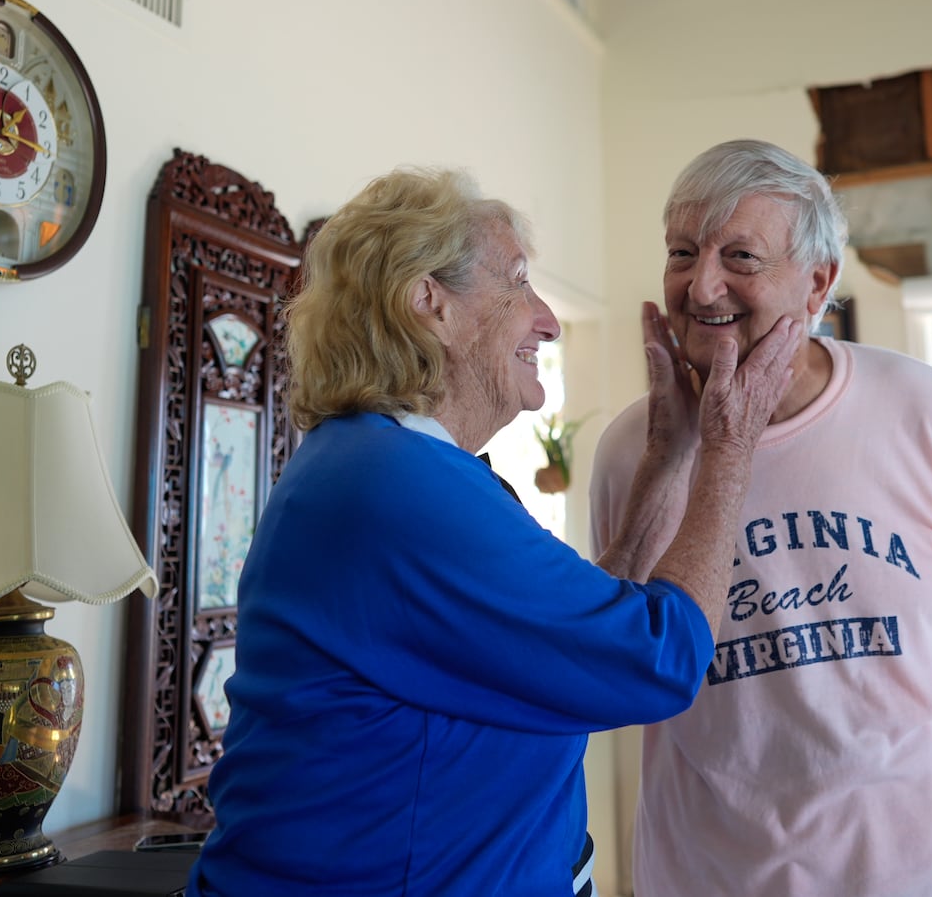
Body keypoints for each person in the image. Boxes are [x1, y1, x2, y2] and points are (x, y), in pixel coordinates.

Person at [189, 165, 801, 896]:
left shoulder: (385, 463)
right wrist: (728, 446)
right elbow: (658, 656)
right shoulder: (397, 489)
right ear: (429, 304)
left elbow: (576, 641)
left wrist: (668, 459)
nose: (545, 318)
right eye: (516, 280)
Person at [590, 139, 932, 897]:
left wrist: (885, 769)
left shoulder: (925, 412)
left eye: (740, 256)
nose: (702, 285)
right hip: (714, 874)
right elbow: (618, 664)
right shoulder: (628, 454)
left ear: (818, 283)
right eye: (682, 251)